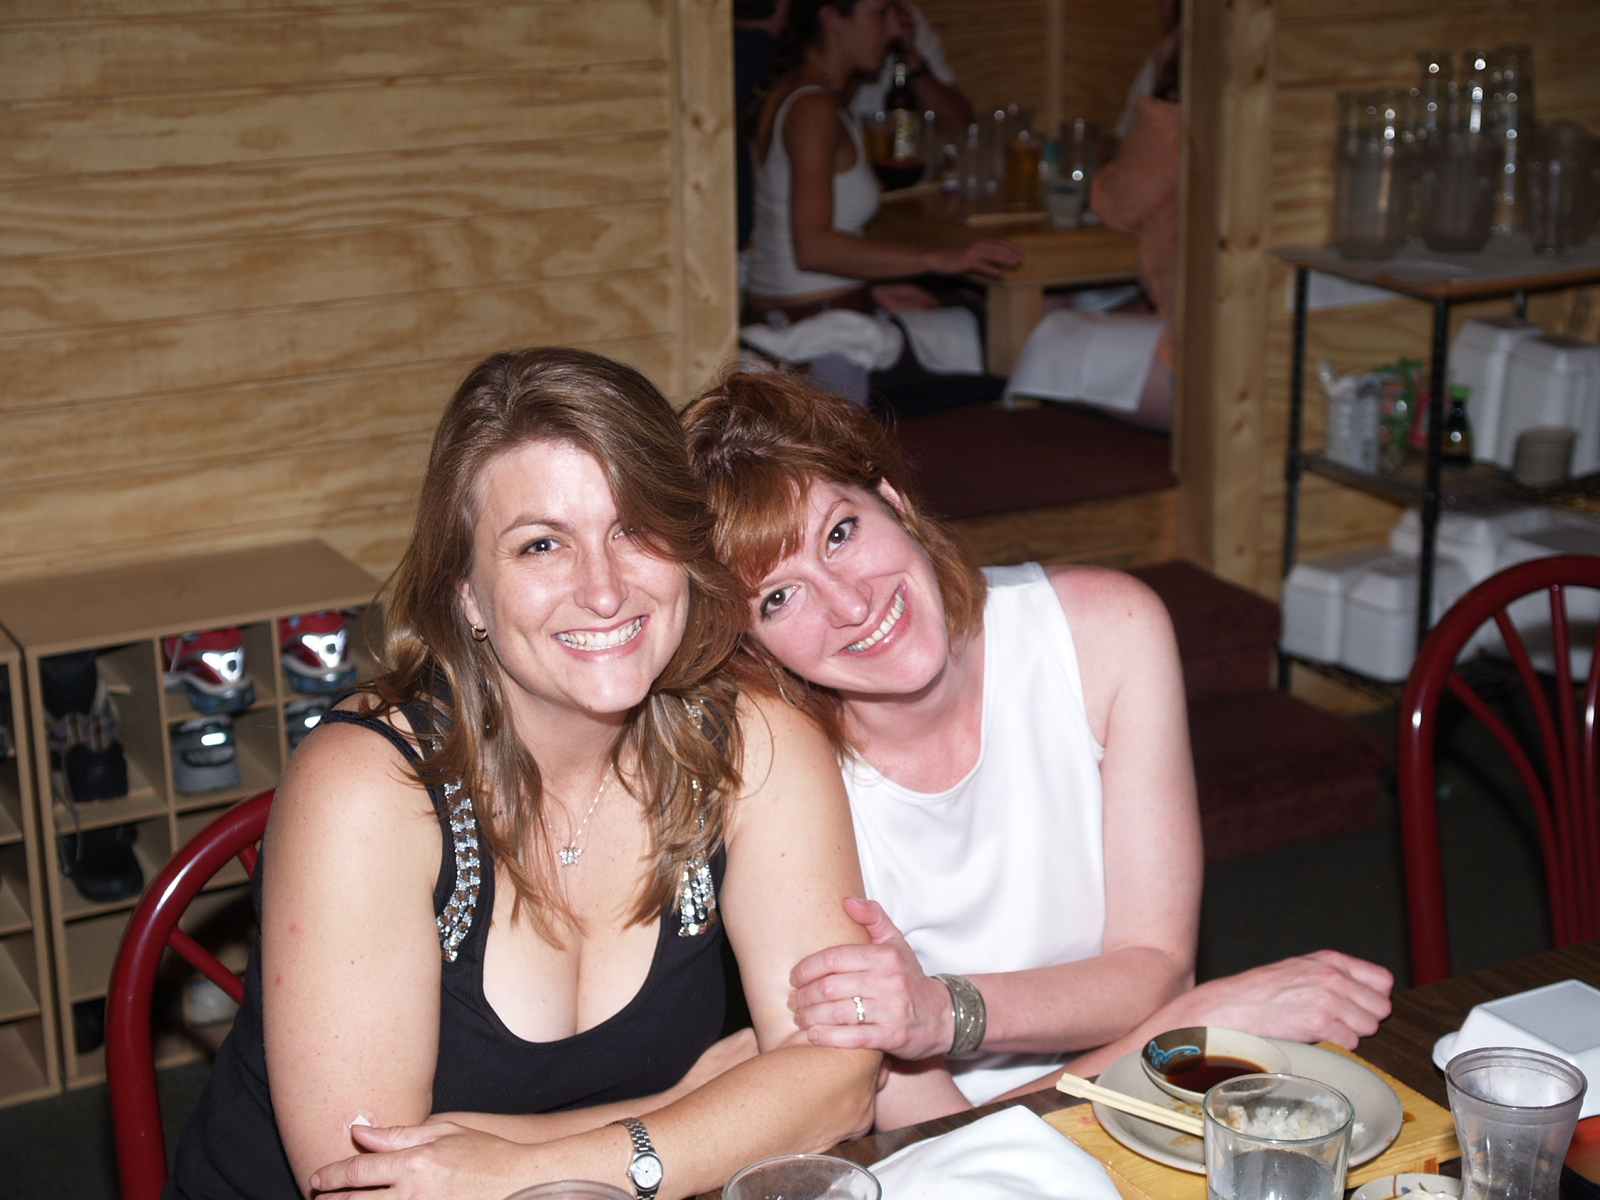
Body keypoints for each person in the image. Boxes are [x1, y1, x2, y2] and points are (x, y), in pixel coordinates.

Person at [167, 349, 878, 1200]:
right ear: (467, 593)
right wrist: (691, 1108)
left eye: (634, 528)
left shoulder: (755, 741)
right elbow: (370, 1186)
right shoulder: (367, 792)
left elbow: (842, 1082)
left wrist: (525, 1165)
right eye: (542, 545)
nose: (604, 590)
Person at [681, 371, 1395, 1131]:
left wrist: (944, 1012)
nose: (851, 604)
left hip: (1126, 1103)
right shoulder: (774, 776)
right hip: (974, 1151)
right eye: (778, 597)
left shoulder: (1105, 633)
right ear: (748, 645)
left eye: (840, 533)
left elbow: (1156, 967)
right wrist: (1192, 1029)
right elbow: (935, 1143)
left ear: (891, 499)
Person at [744, 0, 1021, 414]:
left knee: (963, 313)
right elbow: (813, 247)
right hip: (815, 337)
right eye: (879, 13)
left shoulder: (798, 91)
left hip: (800, 310)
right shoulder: (813, 107)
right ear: (831, 18)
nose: (893, 29)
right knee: (996, 334)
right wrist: (940, 258)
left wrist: (873, 286)